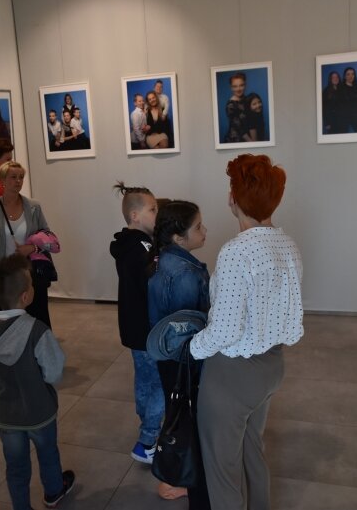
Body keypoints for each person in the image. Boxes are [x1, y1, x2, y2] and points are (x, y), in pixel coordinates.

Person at [190, 153, 303, 510]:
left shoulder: (237, 251)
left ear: (233, 197)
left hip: (233, 375)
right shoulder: (287, 244)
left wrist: (191, 347)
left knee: (223, 470)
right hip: (272, 367)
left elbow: (224, 329)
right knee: (253, 451)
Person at [0, 254, 75, 510]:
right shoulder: (38, 330)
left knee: (16, 465)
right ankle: (54, 491)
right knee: (48, 454)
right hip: (39, 412)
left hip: (6, 415)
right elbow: (53, 373)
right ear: (25, 296)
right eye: (31, 284)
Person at [147, 200, 211, 507]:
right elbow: (188, 332)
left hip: (168, 360)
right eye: (198, 226)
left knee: (177, 415)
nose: (205, 231)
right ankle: (178, 480)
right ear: (178, 237)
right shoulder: (184, 273)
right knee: (185, 420)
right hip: (183, 362)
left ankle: (176, 478)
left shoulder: (164, 260)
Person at [109, 182, 163, 466]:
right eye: (153, 209)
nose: (158, 214)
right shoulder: (140, 247)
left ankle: (147, 426)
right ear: (135, 216)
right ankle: (148, 441)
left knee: (145, 379)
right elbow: (152, 281)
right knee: (158, 384)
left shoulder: (129, 243)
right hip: (147, 327)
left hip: (135, 327)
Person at [0, 161, 54, 328]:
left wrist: (32, 248)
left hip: (31, 273)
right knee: (6, 323)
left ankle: (38, 352)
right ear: (2, 180)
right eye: (13, 177)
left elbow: (48, 236)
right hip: (4, 275)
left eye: (21, 177)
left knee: (37, 319)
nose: (18, 181)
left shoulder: (34, 207)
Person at [224, 72, 248, 142]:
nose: (238, 89)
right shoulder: (230, 105)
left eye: (241, 85)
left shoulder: (247, 99)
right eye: (235, 86)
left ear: (245, 85)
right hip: (235, 140)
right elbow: (239, 128)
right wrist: (252, 142)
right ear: (231, 88)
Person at [339, 67, 357, 132]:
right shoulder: (341, 89)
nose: (351, 76)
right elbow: (342, 105)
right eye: (348, 74)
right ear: (344, 76)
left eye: (352, 74)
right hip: (345, 117)